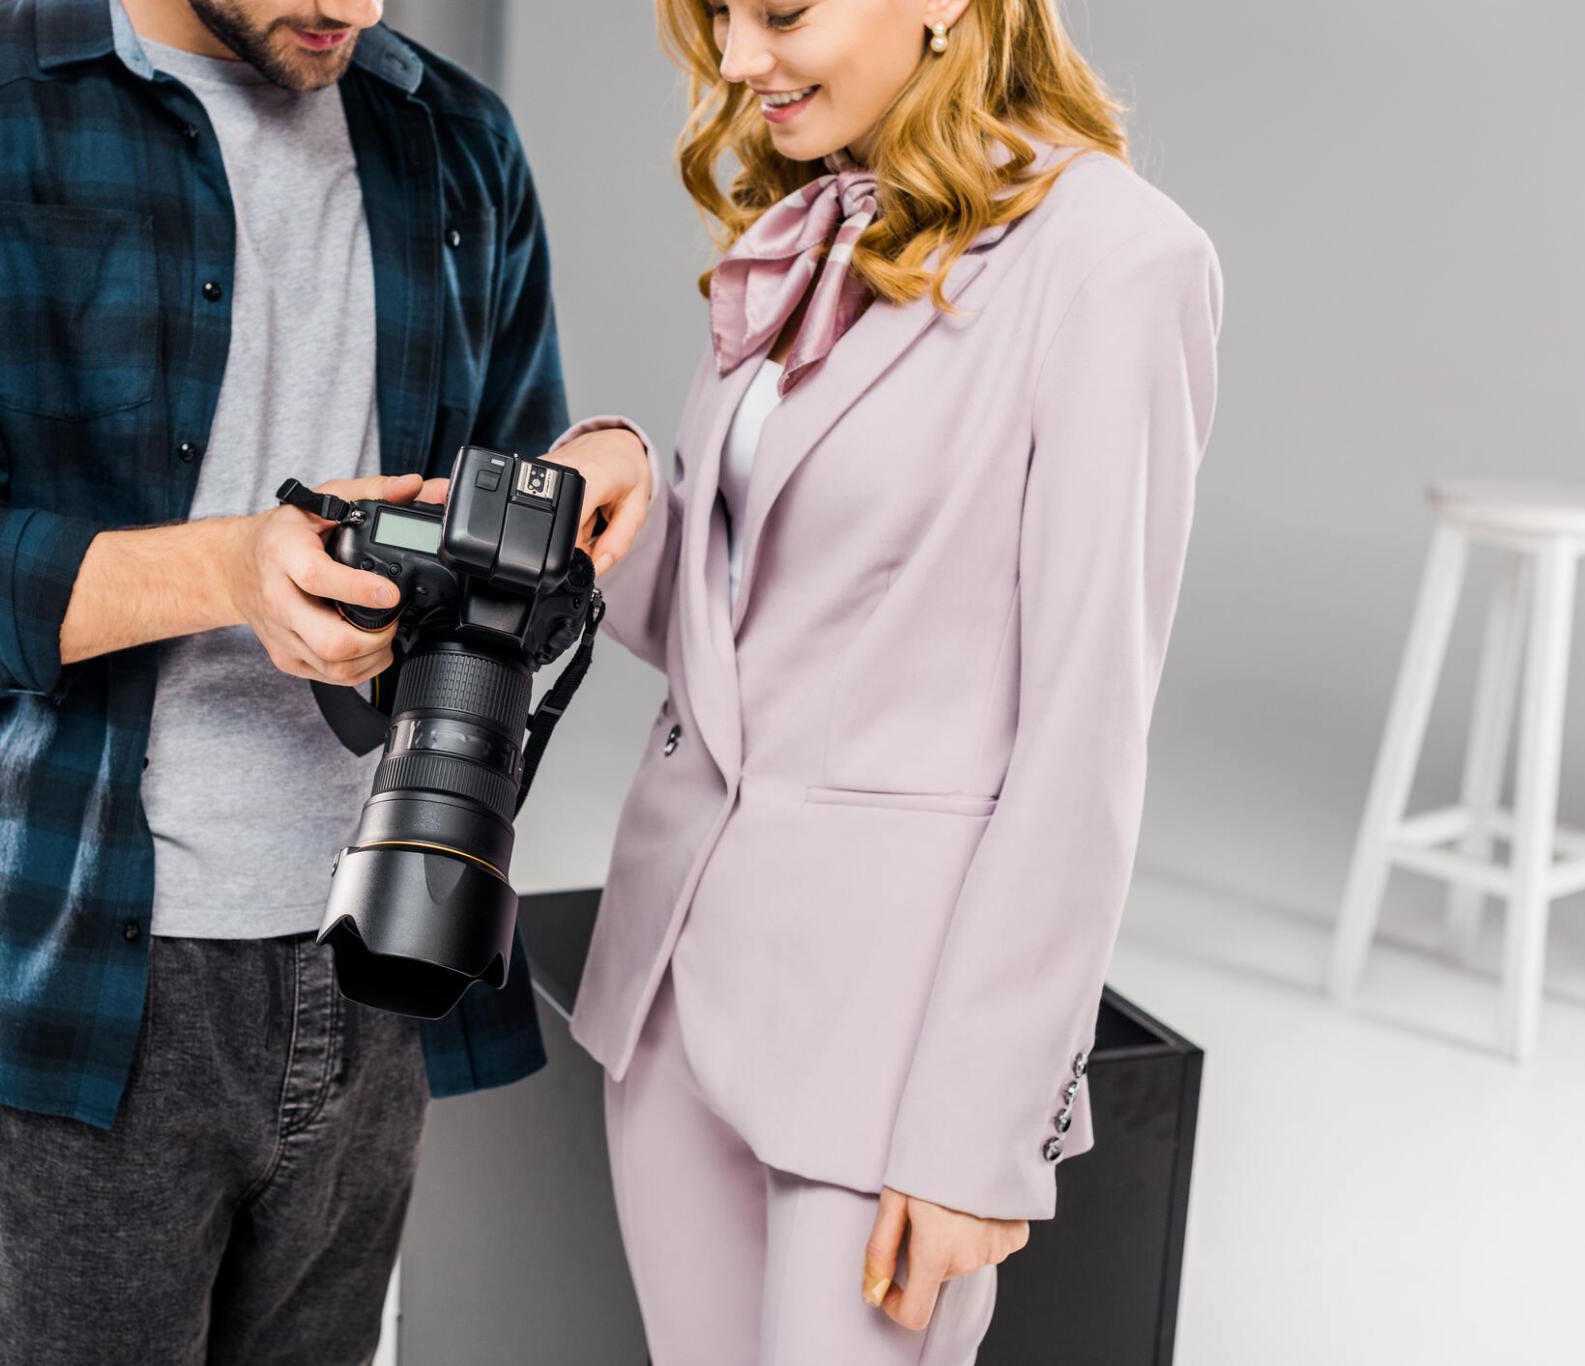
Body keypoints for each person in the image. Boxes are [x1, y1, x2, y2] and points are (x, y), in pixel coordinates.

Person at [0, 0, 653, 1361]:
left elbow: (513, 565)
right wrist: (231, 571)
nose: (358, 11)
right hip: (85, 973)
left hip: (390, 937)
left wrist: (595, 469)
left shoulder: (456, 140)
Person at [574, 1, 1224, 1361]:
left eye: (781, 12)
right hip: (676, 991)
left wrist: (981, 1129)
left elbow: (1086, 731)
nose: (739, 62)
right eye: (719, 15)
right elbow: (755, 625)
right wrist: (620, 505)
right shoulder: (814, 217)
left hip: (891, 1052)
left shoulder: (1117, 262)